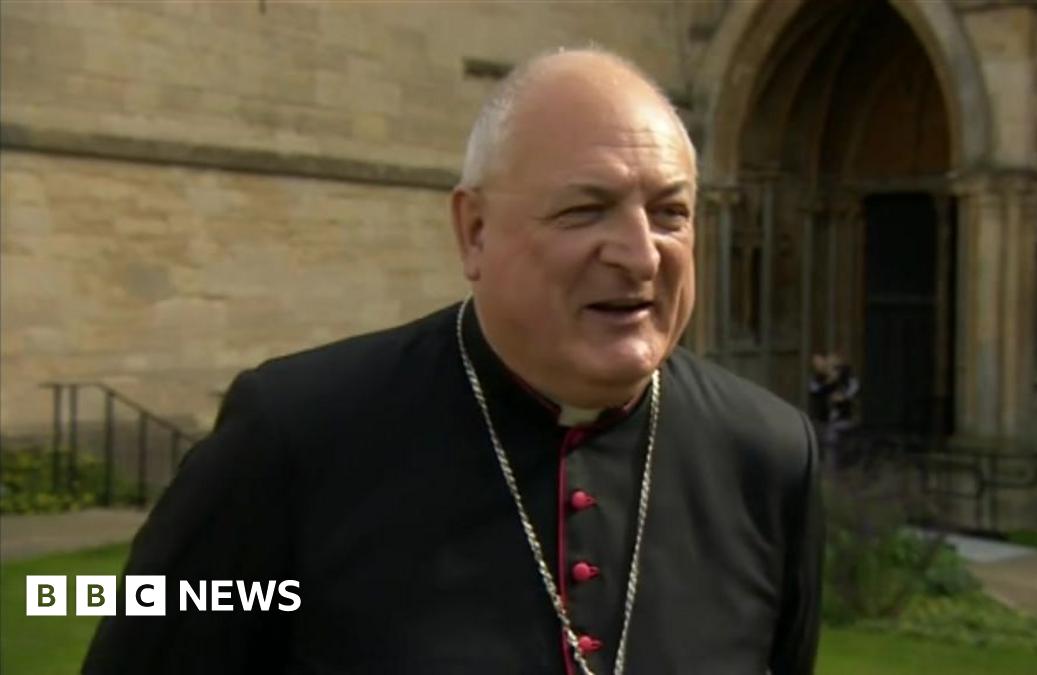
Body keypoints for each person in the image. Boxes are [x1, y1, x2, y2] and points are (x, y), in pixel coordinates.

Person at [83, 48, 822, 675]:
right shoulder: (293, 437)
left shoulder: (769, 453)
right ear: (474, 231)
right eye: (584, 210)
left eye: (670, 212)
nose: (639, 255)